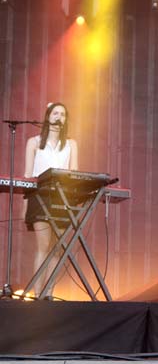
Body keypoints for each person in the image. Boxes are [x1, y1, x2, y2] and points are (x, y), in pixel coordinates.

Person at [23, 102, 78, 298]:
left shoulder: (71, 144)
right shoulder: (34, 142)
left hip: (63, 198)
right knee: (43, 247)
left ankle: (49, 292)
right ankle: (37, 294)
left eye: (63, 114)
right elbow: (28, 176)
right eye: (55, 113)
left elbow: (74, 174)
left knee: (57, 249)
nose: (59, 117)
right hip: (39, 196)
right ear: (47, 117)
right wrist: (24, 205)